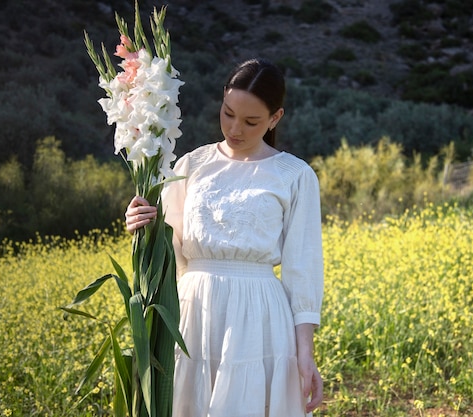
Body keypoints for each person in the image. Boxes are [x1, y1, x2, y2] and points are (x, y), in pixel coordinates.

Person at [125, 58, 324, 417]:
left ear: (275, 118)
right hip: (192, 312)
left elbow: (303, 271)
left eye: (251, 122)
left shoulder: (295, 176)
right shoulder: (189, 166)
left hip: (259, 317)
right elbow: (169, 252)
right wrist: (140, 224)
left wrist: (305, 354)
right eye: (228, 113)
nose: (235, 129)